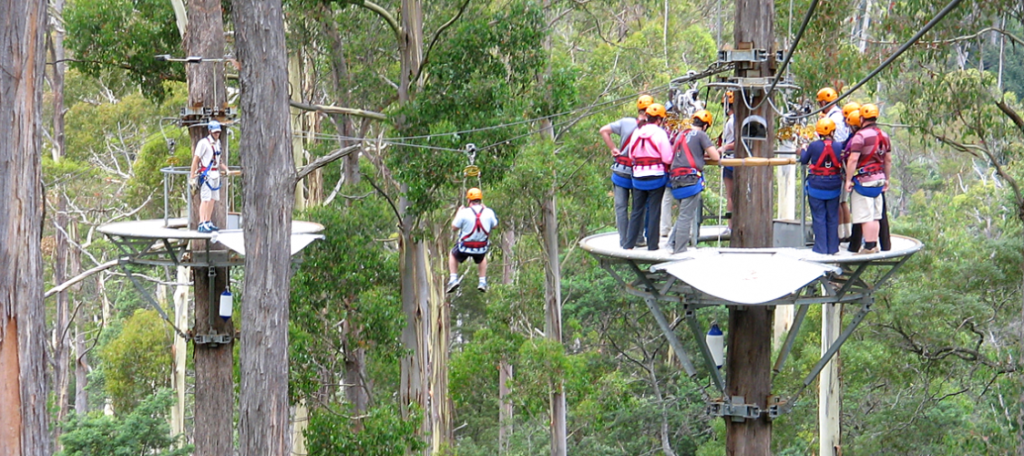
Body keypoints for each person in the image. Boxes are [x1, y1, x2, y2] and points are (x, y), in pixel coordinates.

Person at [600, 95, 653, 247]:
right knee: (639, 207)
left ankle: (624, 240)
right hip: (639, 172)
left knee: (621, 208)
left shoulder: (626, 123)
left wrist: (613, 149)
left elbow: (603, 130)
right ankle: (638, 238)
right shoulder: (654, 129)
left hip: (621, 171)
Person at [667, 109, 720, 254]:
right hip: (690, 179)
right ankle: (679, 249)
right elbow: (715, 157)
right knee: (686, 216)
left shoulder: (680, 134)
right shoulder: (701, 135)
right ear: (705, 126)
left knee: (684, 212)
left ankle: (671, 243)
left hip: (675, 178)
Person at [623, 103, 674, 251]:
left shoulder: (637, 133)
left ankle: (629, 243)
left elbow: (631, 154)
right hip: (656, 176)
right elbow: (667, 158)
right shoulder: (660, 134)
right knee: (654, 210)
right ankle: (652, 245)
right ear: (659, 119)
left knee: (636, 210)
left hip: (638, 176)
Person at [844, 103, 891, 254]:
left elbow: (853, 159)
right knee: (876, 215)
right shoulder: (884, 135)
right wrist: (887, 179)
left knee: (866, 215)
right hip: (879, 179)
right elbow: (888, 160)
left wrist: (848, 179)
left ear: (862, 118)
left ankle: (869, 246)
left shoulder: (860, 136)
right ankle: (874, 244)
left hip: (863, 180)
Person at [800, 118, 844, 254]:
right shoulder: (839, 146)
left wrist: (802, 149)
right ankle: (833, 247)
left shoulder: (814, 146)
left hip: (817, 185)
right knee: (832, 216)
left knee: (819, 217)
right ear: (833, 131)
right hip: (834, 186)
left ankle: (820, 248)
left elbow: (804, 160)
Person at [447, 188, 499, 293]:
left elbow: (454, 227)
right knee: (482, 257)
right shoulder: (488, 212)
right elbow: (495, 226)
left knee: (452, 254)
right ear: (480, 200)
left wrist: (458, 213)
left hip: (464, 247)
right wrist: (487, 210)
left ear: (469, 201)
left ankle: (453, 279)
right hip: (481, 248)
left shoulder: (464, 212)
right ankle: (482, 281)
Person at [190, 120, 228, 233]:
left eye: (218, 132)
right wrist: (192, 176)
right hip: (207, 174)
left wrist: (226, 169)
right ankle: (202, 223)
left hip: (215, 173)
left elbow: (219, 160)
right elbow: (195, 160)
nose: (217, 134)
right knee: (205, 199)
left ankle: (208, 220)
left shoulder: (218, 143)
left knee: (212, 199)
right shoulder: (203, 143)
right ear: (210, 131)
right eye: (215, 132)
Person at [719, 91, 736, 233]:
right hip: (732, 160)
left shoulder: (732, 121)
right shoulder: (735, 120)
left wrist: (723, 147)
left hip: (731, 160)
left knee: (730, 195)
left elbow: (738, 142)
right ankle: (731, 224)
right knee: (732, 195)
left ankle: (730, 226)